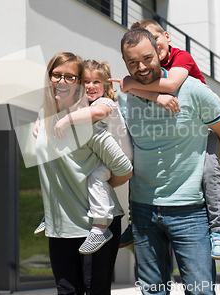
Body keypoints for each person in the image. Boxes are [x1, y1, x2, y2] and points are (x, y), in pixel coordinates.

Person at [117, 29, 220, 294]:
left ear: (159, 52)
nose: (141, 67)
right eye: (132, 62)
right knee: (153, 292)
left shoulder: (195, 91)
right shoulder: (124, 97)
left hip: (190, 211)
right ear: (125, 63)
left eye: (147, 58)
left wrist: (200, 167)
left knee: (200, 291)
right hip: (142, 210)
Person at [35, 52, 133, 294]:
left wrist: (103, 184)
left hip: (92, 222)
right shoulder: (43, 116)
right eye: (57, 75)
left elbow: (124, 169)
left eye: (71, 77)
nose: (62, 81)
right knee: (66, 290)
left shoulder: (91, 118)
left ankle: (100, 223)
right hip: (60, 222)